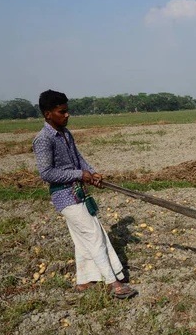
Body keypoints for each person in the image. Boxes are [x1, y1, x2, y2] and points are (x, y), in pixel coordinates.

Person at [32, 89, 137, 299]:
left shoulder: (65, 134)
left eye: (67, 111)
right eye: (62, 112)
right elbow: (46, 173)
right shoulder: (43, 139)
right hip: (64, 196)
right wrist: (80, 174)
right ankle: (113, 283)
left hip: (78, 193)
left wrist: (92, 173)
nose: (67, 115)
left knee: (82, 238)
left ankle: (84, 282)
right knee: (94, 234)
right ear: (48, 114)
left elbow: (77, 158)